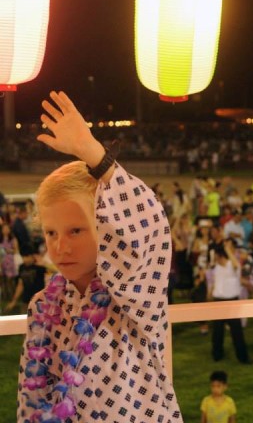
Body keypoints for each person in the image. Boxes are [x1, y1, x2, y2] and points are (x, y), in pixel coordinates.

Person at [16, 91, 183, 422]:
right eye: (51, 233)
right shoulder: (43, 305)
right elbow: (30, 397)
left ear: (110, 229)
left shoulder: (134, 298)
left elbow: (149, 230)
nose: (61, 246)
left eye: (76, 231)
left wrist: (94, 154)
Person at [211, 239, 250, 364]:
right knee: (217, 332)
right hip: (218, 301)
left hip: (232, 302)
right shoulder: (216, 267)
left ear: (220, 255)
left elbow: (236, 265)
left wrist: (227, 249)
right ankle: (217, 355)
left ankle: (242, 357)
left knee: (237, 332)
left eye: (216, 255)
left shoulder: (232, 265)